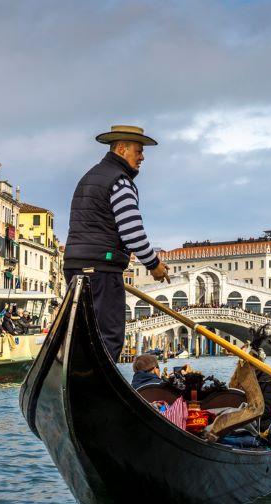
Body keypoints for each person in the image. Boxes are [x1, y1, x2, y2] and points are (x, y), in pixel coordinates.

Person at [63, 125, 170, 362]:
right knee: (108, 336)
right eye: (138, 151)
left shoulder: (90, 176)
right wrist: (154, 265)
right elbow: (132, 231)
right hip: (102, 268)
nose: (142, 157)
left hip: (74, 265)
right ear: (122, 149)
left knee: (84, 333)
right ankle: (94, 393)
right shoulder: (119, 182)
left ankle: (78, 384)